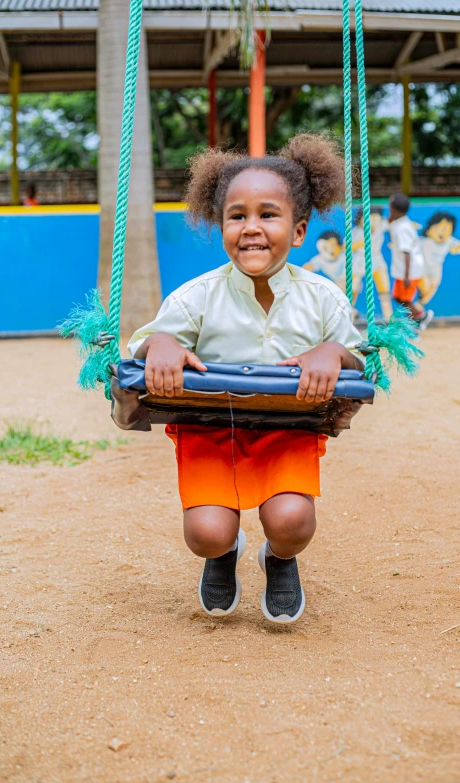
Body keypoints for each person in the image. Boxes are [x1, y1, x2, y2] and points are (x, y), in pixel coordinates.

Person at [128, 135, 365, 625]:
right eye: (237, 216)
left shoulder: (323, 298)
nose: (251, 229)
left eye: (268, 215)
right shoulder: (197, 296)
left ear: (298, 231)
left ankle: (279, 558)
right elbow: (147, 343)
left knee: (292, 522)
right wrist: (163, 345)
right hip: (211, 430)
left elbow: (358, 359)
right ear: (221, 227)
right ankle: (224, 551)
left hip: (288, 431)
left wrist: (333, 351)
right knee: (205, 533)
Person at [388, 193, 433, 331]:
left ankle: (418, 320)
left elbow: (406, 252)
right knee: (397, 297)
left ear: (394, 210)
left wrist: (407, 275)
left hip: (409, 270)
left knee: (404, 299)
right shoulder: (401, 222)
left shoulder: (402, 228)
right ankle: (418, 317)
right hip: (406, 269)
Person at [419, 211, 460, 306]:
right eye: (437, 228)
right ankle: (417, 308)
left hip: (436, 269)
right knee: (425, 288)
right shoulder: (424, 241)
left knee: (433, 286)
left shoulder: (449, 241)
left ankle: (419, 307)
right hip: (423, 268)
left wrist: (457, 249)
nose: (441, 232)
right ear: (429, 229)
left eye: (445, 229)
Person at [351, 206, 393, 321]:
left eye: (376, 219)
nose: (373, 222)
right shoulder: (357, 232)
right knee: (353, 290)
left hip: (377, 259)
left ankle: (389, 318)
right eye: (369, 219)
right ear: (360, 220)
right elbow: (346, 247)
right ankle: (349, 313)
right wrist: (362, 242)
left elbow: (392, 224)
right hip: (360, 260)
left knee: (384, 290)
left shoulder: (381, 226)